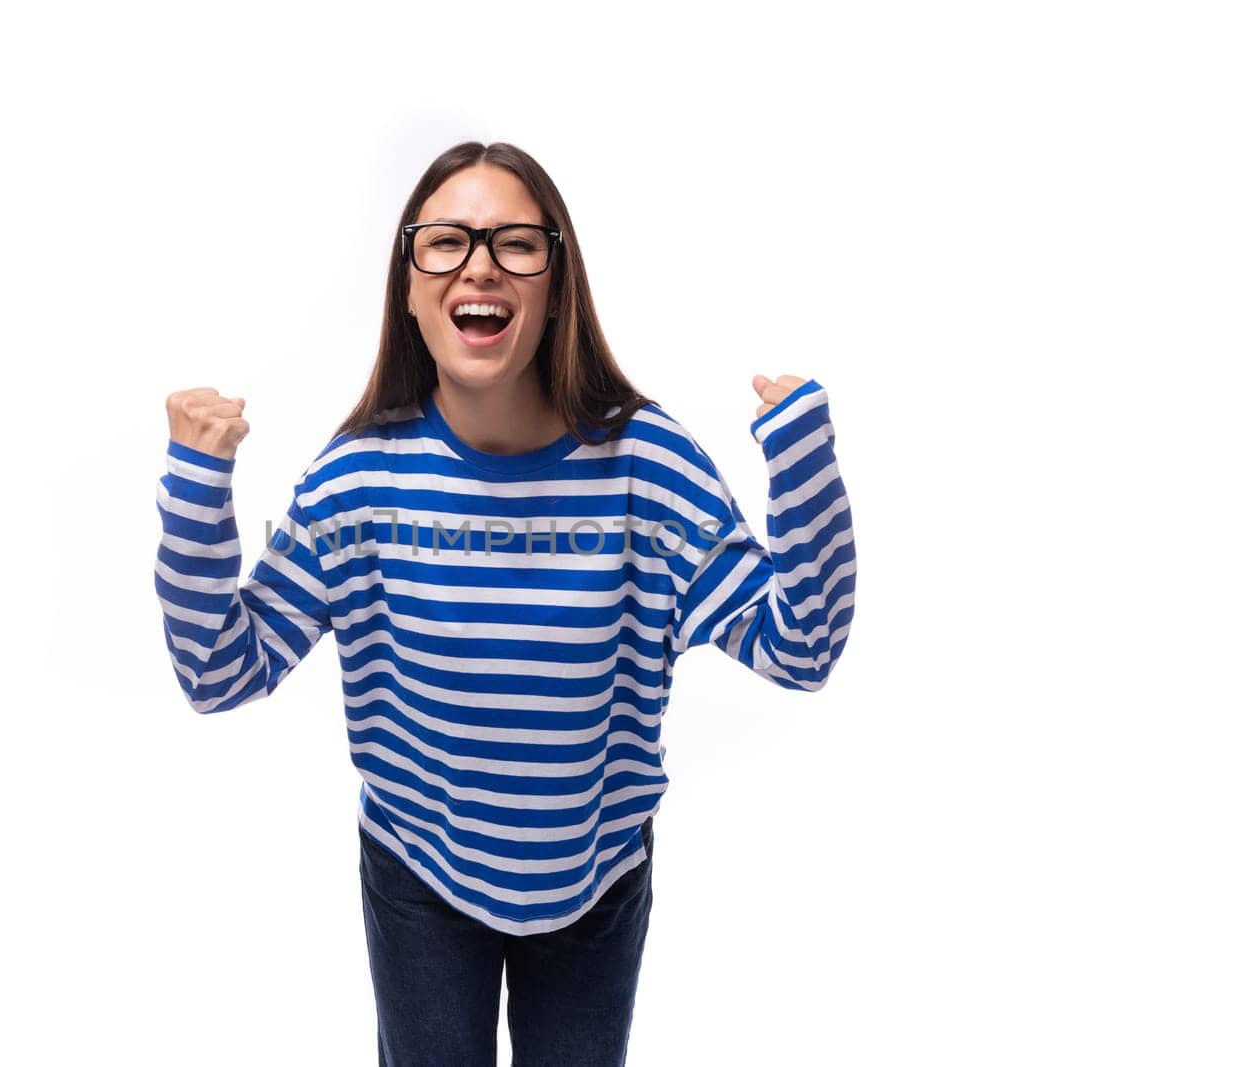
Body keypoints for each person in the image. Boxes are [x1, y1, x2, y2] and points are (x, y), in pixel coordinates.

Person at [154, 140, 857, 1066]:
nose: (479, 262)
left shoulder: (651, 468)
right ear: (409, 289)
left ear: (558, 284)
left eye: (516, 243)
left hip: (595, 881)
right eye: (444, 242)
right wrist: (197, 479)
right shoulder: (358, 479)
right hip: (418, 874)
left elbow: (800, 647)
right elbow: (218, 671)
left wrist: (801, 459)